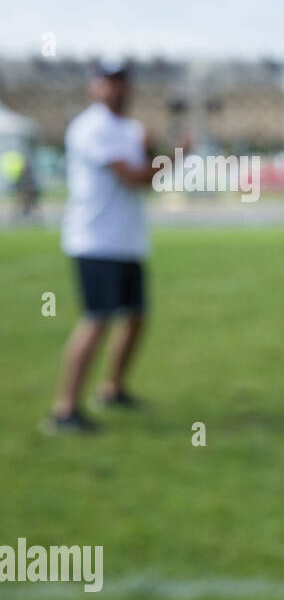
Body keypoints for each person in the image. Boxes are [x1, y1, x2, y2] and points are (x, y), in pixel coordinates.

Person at [43, 59, 159, 434]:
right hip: (95, 240)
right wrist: (173, 158)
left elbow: (148, 176)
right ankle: (64, 410)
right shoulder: (90, 127)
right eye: (108, 82)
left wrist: (158, 151)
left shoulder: (131, 128)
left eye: (121, 82)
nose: (116, 89)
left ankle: (112, 389)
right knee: (97, 321)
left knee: (136, 316)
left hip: (127, 241)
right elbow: (135, 178)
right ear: (95, 87)